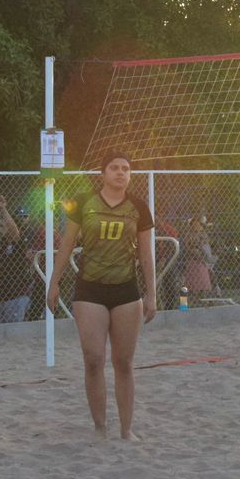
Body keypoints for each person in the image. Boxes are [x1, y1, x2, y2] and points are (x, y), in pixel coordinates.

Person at [47, 154, 156, 440]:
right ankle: (99, 427)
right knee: (93, 359)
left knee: (123, 362)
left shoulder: (139, 208)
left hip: (126, 289)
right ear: (103, 173)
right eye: (114, 168)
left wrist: (152, 293)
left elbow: (146, 254)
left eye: (126, 169)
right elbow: (67, 245)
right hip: (90, 289)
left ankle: (126, 429)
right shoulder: (84, 203)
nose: (120, 173)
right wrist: (54, 282)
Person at [0, 196, 34, 324]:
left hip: (16, 295)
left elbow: (14, 231)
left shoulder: (19, 242)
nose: (0, 227)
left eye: (3, 225)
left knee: (14, 332)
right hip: (1, 296)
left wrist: (3, 209)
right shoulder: (1, 244)